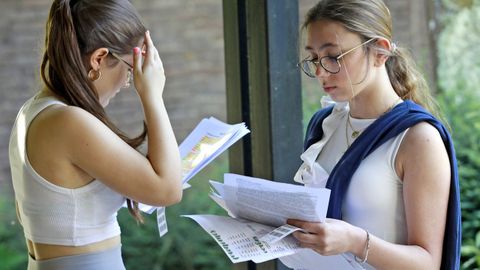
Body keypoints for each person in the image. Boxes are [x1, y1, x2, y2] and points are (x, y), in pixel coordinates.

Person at [281, 0, 461, 269]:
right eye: (315, 59)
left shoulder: (417, 139)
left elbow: (428, 263)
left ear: (380, 51)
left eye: (333, 57)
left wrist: (355, 240)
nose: (320, 72)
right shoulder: (324, 124)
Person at [8, 0, 183, 269]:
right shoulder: (67, 121)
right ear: (98, 59)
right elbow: (168, 190)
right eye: (129, 70)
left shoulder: (33, 111)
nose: (128, 84)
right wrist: (153, 96)